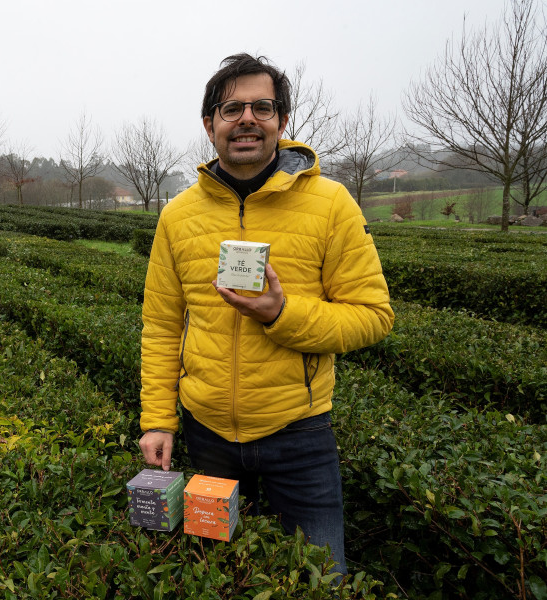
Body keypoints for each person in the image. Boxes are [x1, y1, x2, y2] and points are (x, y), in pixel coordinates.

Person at [138, 53, 394, 575]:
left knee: (320, 578)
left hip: (298, 437)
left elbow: (373, 315)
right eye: (231, 109)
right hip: (206, 434)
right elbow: (162, 326)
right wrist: (158, 421)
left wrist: (283, 314)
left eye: (262, 106)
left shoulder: (332, 204)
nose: (247, 119)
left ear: (281, 120)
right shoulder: (178, 215)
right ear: (210, 125)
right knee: (219, 574)